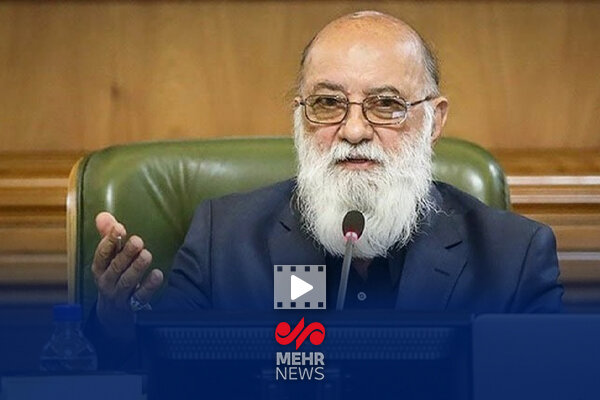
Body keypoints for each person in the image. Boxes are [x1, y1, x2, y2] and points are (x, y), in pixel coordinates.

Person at [90, 11, 563, 340]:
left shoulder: (514, 256)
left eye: (386, 104)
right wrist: (118, 320)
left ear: (434, 121)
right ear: (300, 115)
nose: (354, 130)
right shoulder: (224, 240)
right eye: (328, 103)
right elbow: (163, 372)